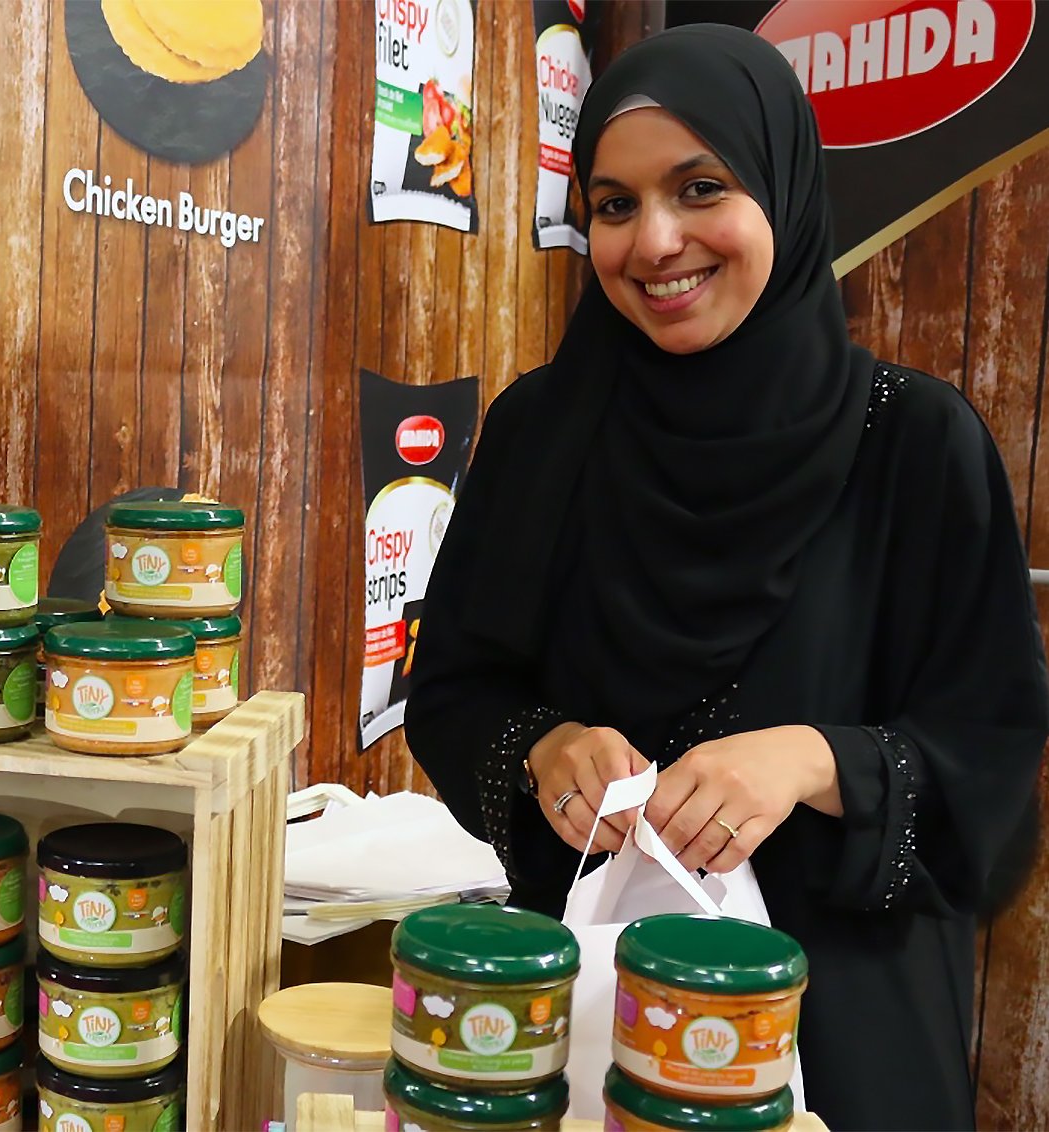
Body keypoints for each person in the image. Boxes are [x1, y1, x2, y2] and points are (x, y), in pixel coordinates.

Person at [403, 23, 1048, 1132]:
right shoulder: (541, 433)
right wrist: (544, 746)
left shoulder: (916, 446)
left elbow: (989, 758)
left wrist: (815, 759)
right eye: (613, 204)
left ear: (782, 194)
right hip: (589, 1016)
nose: (654, 241)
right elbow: (457, 694)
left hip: (844, 1034)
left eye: (700, 187)